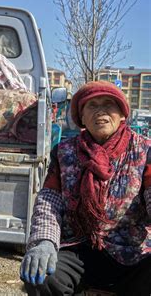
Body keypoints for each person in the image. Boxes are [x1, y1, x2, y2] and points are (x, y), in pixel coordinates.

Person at [20, 81, 151, 295]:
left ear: (122, 114)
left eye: (108, 104)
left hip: (132, 252)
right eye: (92, 105)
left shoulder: (145, 150)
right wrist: (44, 242)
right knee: (41, 277)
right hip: (80, 248)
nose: (100, 111)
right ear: (81, 117)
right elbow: (48, 203)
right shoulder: (64, 153)